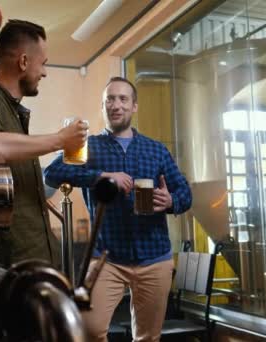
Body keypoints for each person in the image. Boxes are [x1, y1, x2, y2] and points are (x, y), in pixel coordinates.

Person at [44, 77, 192, 342]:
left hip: (154, 258)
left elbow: (185, 193)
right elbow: (52, 172)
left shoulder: (156, 150)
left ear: (134, 106)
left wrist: (171, 202)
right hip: (106, 258)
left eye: (123, 99)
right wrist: (101, 176)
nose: (116, 105)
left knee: (148, 338)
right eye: (109, 100)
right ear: (103, 107)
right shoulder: (87, 146)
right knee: (88, 332)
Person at [0, 19, 88, 268]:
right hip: (10, 265)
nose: (45, 73)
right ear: (24, 62)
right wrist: (60, 140)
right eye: (43, 64)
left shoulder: (15, 113)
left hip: (39, 258)